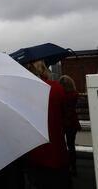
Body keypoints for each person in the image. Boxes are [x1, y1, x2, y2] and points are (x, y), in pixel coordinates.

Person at [24, 60, 70, 189]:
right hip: (58, 146)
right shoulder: (56, 88)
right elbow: (64, 115)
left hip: (37, 150)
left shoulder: (26, 92)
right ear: (44, 68)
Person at [59, 75, 81, 176]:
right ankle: (74, 167)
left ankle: (64, 166)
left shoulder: (62, 96)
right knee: (71, 145)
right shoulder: (75, 95)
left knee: (62, 145)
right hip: (73, 122)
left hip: (63, 122)